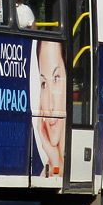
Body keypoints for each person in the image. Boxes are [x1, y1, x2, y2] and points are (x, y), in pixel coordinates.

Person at [34, 40, 66, 178]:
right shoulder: (44, 174)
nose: (50, 105)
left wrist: (57, 161)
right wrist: (56, 160)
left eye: (56, 78)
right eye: (44, 84)